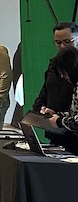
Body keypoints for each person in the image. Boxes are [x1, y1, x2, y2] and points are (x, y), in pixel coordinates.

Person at [34, 23, 78, 152]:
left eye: (67, 41)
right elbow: (45, 91)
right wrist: (42, 108)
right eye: (58, 43)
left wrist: (60, 120)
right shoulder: (54, 63)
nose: (62, 46)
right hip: (56, 132)